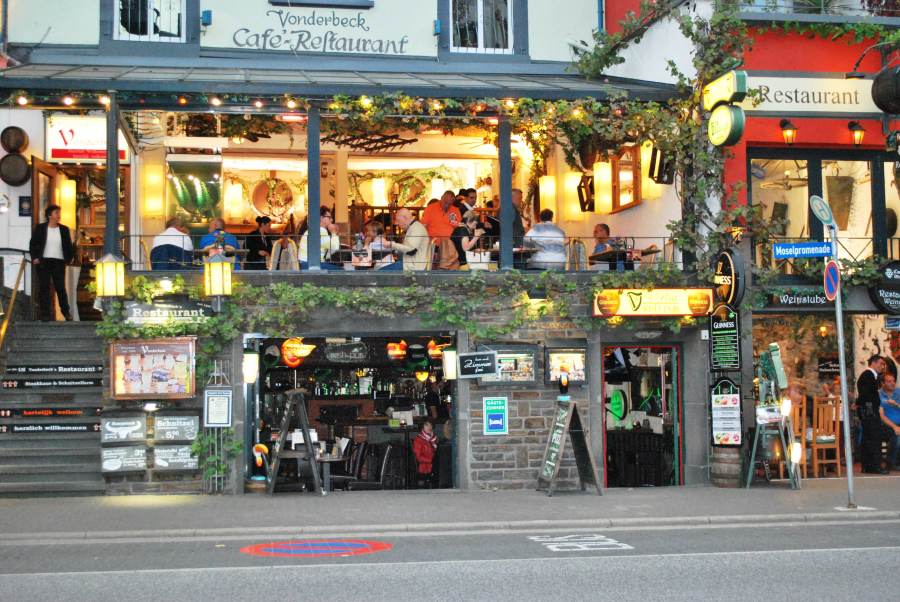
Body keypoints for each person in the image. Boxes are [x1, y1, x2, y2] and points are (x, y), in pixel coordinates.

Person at [29, 204, 74, 321]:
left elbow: (69, 246)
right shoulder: (40, 228)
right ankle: (45, 314)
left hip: (59, 262)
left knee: (60, 288)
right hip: (44, 262)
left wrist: (69, 258)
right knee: (44, 287)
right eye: (56, 213)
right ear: (49, 215)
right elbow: (33, 243)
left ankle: (66, 313)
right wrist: (35, 257)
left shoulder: (64, 229)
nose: (59, 215)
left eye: (59, 213)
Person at [858, 354, 888, 474]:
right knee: (874, 438)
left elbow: (863, 395)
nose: (882, 366)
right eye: (881, 364)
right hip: (869, 411)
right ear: (873, 363)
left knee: (868, 438)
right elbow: (866, 395)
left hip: (868, 410)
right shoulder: (868, 375)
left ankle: (868, 466)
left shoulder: (869, 376)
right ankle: (874, 466)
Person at [879, 372, 900, 470]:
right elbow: (881, 415)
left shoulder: (899, 392)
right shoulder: (879, 395)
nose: (892, 383)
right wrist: (894, 426)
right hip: (886, 425)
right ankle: (891, 463)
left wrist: (896, 404)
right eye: (889, 381)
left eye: (894, 381)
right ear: (883, 383)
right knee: (897, 436)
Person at [412, 420, 438, 488]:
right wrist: (431, 460)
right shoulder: (418, 440)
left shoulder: (434, 439)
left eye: (430, 425)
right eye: (426, 425)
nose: (429, 427)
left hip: (433, 467)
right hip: (423, 468)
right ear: (422, 427)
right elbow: (418, 456)